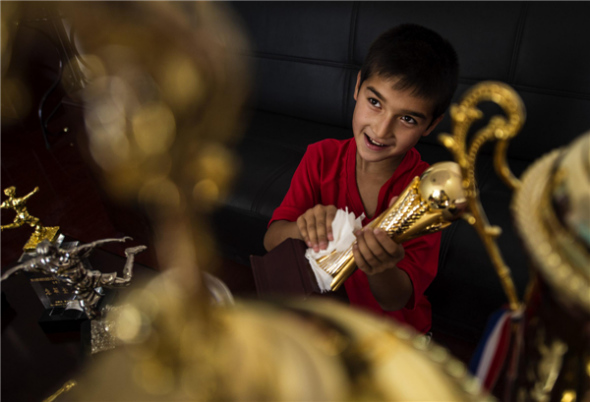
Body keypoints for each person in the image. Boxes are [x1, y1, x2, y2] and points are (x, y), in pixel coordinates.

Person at [263, 24, 459, 334]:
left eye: (407, 119)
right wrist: (303, 227)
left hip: (388, 337)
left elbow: (396, 299)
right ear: (357, 87)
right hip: (322, 323)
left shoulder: (424, 194)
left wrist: (382, 267)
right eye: (375, 102)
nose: (381, 130)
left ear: (430, 125)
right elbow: (271, 240)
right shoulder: (321, 157)